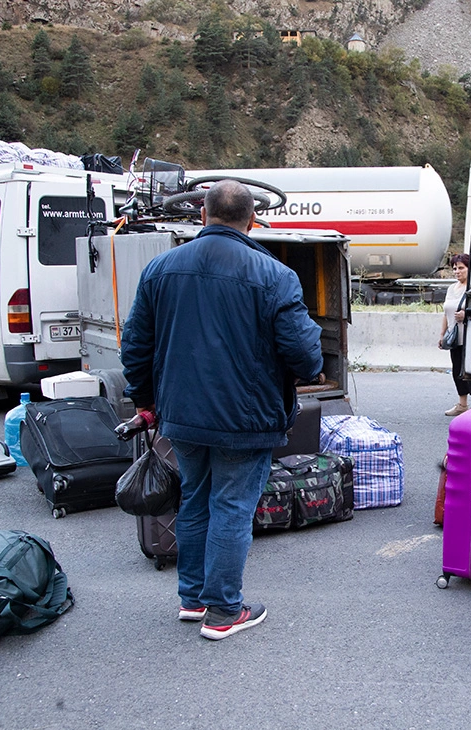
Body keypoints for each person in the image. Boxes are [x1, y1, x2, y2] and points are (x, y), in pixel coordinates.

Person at [120, 180, 323, 640]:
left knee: (195, 499)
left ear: (202, 215)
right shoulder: (274, 275)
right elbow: (306, 357)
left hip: (182, 416)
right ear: (252, 221)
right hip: (245, 420)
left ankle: (193, 599)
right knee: (231, 507)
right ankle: (224, 611)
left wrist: (145, 402)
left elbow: (135, 345)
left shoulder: (160, 269)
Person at [439, 253, 471, 416]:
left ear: (469, 269)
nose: (457, 271)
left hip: (470, 336)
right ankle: (462, 404)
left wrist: (466, 314)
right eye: (455, 268)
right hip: (454, 335)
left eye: (461, 268)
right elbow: (445, 313)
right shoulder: (452, 288)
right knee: (457, 369)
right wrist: (442, 334)